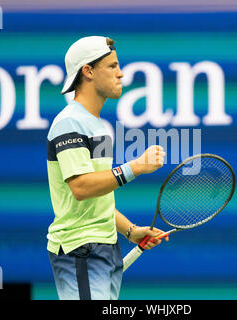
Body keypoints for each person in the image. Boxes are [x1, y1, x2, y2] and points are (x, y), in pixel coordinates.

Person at [46, 36, 167, 300]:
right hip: (80, 249)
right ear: (88, 71)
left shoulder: (98, 127)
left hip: (104, 248)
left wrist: (131, 231)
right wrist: (135, 167)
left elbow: (97, 197)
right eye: (112, 66)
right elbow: (80, 187)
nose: (121, 73)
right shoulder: (69, 124)